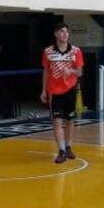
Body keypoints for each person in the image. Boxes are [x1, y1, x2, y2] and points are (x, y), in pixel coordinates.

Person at [41, 23, 84, 164]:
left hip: (70, 89)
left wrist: (70, 71)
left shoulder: (76, 51)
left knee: (70, 120)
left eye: (66, 31)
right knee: (57, 121)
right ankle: (61, 151)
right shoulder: (48, 52)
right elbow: (46, 71)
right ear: (56, 34)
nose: (65, 34)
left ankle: (68, 147)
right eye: (61, 31)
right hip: (54, 91)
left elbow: (80, 72)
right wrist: (44, 90)